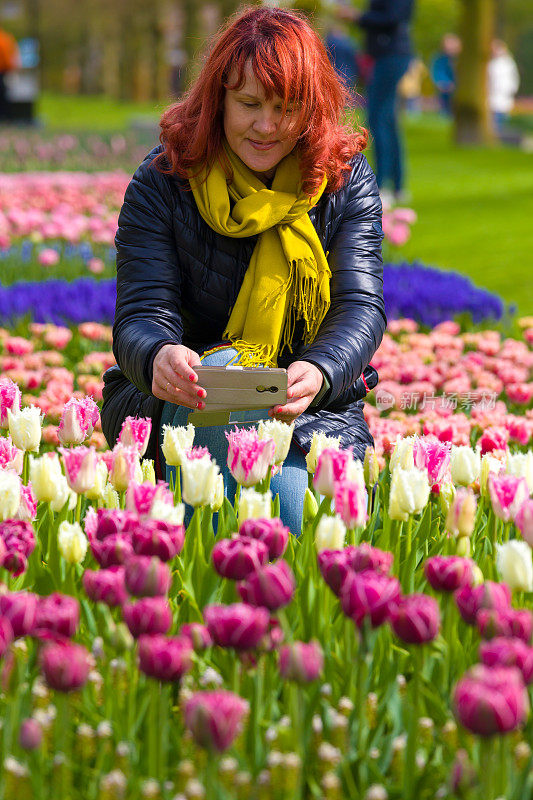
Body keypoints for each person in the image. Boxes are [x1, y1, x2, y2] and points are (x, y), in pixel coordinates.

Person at [101, 7, 386, 533]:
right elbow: (142, 309)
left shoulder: (344, 183)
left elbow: (360, 307)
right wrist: (158, 355)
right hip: (173, 403)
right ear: (217, 101)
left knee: (296, 517)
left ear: (314, 108)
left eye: (286, 107)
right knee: (224, 408)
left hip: (306, 411)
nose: (266, 126)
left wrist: (321, 371)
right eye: (249, 104)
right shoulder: (164, 181)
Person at [339, 0, 415, 204]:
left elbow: (392, 17)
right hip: (389, 54)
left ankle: (383, 186)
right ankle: (397, 185)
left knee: (378, 117)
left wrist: (358, 17)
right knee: (387, 119)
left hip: (390, 55)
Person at [488, 39, 520, 136]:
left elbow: (514, 78)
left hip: (505, 95)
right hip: (492, 96)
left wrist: (512, 89)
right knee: (494, 119)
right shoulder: (490, 63)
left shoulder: (508, 63)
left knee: (502, 118)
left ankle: (501, 136)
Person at [430, 33, 461, 116]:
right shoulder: (440, 58)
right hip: (445, 87)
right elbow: (437, 71)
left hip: (458, 87)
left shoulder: (460, 59)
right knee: (446, 107)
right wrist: (442, 82)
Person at [0, 26, 19, 121]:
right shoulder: (4, 38)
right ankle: (5, 116)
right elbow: (9, 57)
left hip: (3, 71)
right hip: (2, 71)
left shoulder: (4, 38)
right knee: (3, 95)